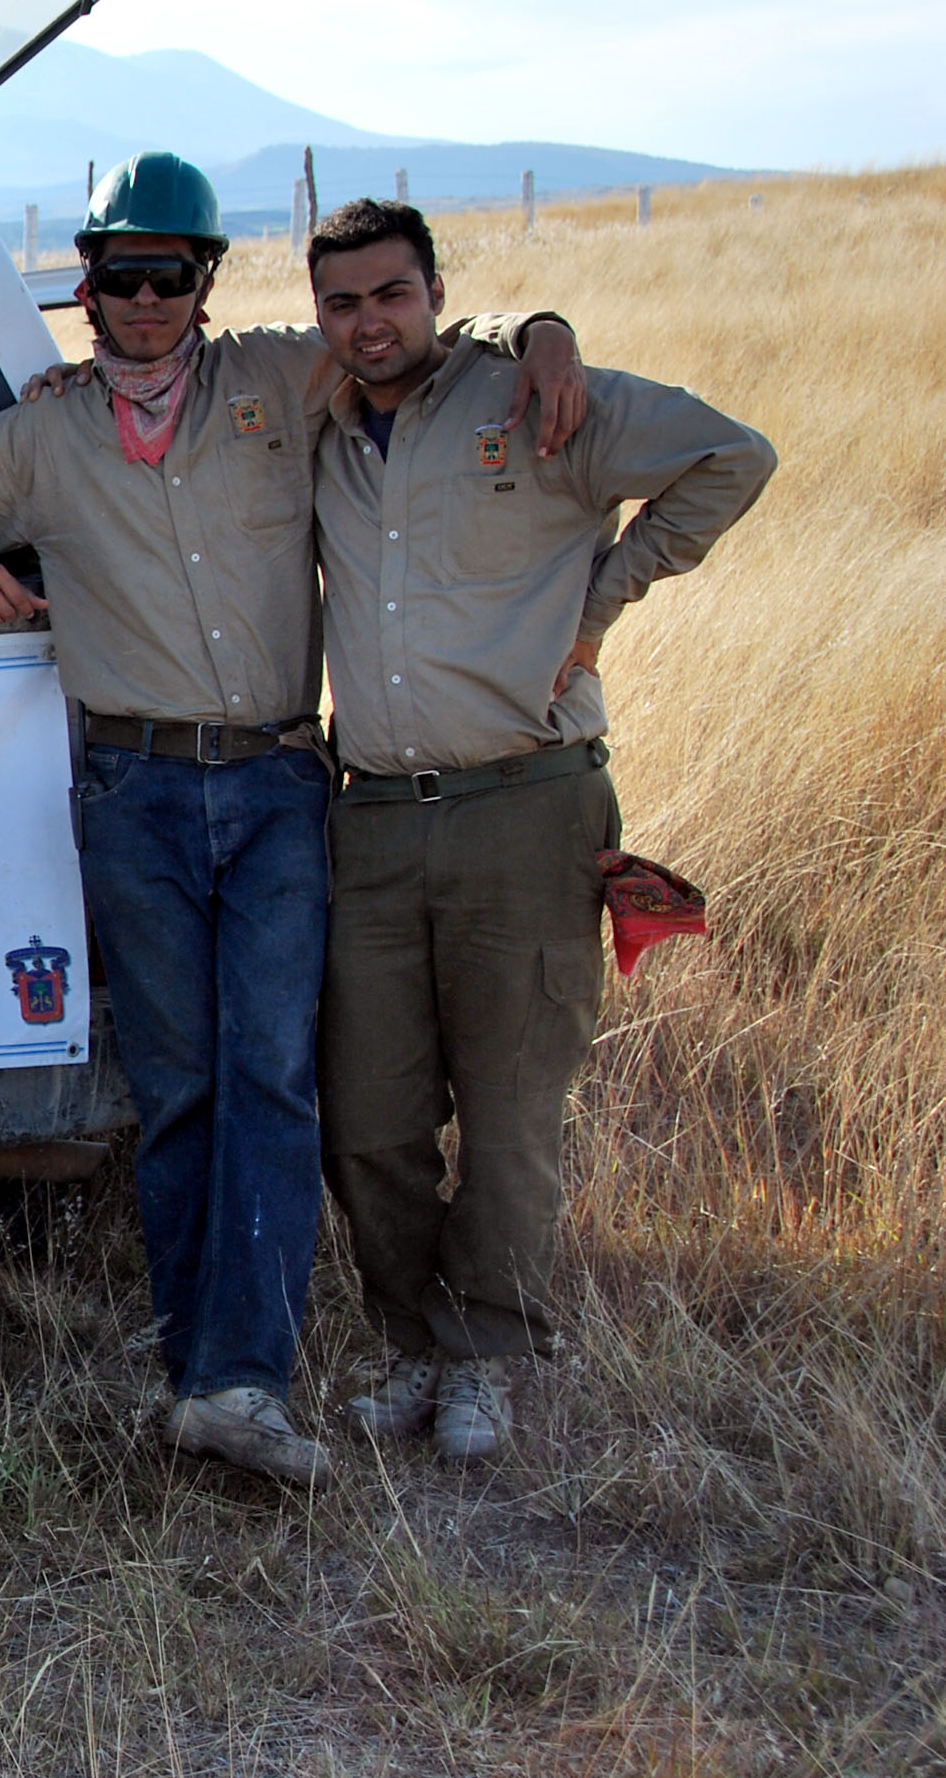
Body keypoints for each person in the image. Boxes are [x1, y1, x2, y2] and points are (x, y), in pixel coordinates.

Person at [0, 155, 586, 1485]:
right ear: (84, 287)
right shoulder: (39, 433)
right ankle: (205, 1369)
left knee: (270, 1077)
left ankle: (241, 1381)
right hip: (132, 793)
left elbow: (403, 340)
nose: (145, 298)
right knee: (180, 1089)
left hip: (273, 785)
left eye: (172, 274)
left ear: (208, 283)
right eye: (120, 275)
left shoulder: (281, 376)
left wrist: (538, 335)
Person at [305, 198, 772, 1464]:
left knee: (510, 1112)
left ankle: (487, 1361)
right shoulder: (320, 424)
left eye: (390, 296)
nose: (367, 323)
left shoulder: (529, 398)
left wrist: (602, 597)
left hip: (527, 801)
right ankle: (410, 1347)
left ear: (432, 294)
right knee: (368, 1117)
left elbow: (734, 455)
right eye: (341, 302)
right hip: (375, 818)